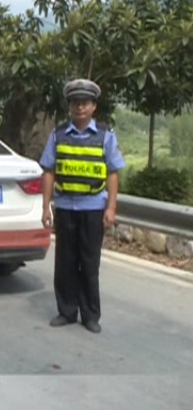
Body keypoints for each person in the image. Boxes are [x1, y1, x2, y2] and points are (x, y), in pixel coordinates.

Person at [39, 78, 125, 334]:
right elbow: (48, 171)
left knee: (89, 264)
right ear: (69, 106)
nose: (80, 107)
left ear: (93, 107)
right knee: (65, 263)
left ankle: (90, 315)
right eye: (75, 103)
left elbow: (112, 173)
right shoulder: (58, 135)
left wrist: (111, 207)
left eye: (85, 103)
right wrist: (45, 207)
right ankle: (66, 311)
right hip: (66, 207)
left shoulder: (105, 136)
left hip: (93, 208)